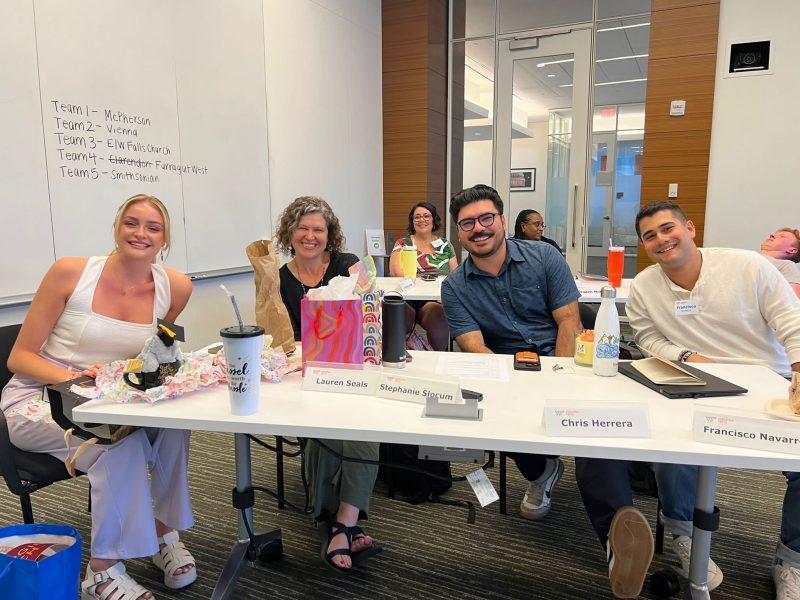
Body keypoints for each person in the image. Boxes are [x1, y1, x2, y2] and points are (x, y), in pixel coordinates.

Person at [577, 200, 800, 599]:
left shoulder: (748, 267)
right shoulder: (645, 285)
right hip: (692, 380)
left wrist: (798, 368)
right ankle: (682, 533)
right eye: (650, 236)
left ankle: (792, 559)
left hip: (767, 379)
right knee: (672, 446)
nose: (661, 240)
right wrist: (686, 357)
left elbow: (791, 320)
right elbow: (645, 337)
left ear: (690, 228)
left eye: (667, 229)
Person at [1, 194, 195, 600]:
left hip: (110, 401)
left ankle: (163, 534)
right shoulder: (70, 273)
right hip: (38, 400)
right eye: (131, 223)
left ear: (165, 239)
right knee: (118, 447)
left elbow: (152, 354)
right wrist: (75, 379)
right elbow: (20, 356)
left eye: (152, 228)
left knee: (175, 427)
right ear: (117, 227)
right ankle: (101, 573)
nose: (140, 233)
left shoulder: (175, 286)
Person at [440, 184, 582, 521]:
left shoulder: (544, 257)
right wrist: (509, 390)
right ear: (459, 232)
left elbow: (569, 321)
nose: (479, 228)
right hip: (505, 366)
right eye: (467, 223)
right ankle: (543, 473)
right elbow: (474, 345)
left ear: (503, 220)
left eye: (486, 217)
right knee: (500, 411)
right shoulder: (454, 287)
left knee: (593, 441)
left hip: (559, 358)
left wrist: (559, 379)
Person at [275, 195, 381, 572]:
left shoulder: (348, 265)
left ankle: (341, 522)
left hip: (355, 366)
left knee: (361, 426)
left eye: (318, 229)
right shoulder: (279, 278)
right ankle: (338, 526)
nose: (310, 236)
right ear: (289, 233)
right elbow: (279, 338)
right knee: (323, 428)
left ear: (329, 234)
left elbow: (372, 315)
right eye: (302, 228)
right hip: (306, 371)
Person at [389, 202, 458, 351]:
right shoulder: (403, 243)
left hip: (435, 298)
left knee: (439, 315)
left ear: (434, 219)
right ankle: (402, 355)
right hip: (408, 296)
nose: (422, 219)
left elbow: (455, 273)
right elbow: (395, 272)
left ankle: (439, 357)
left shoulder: (445, 245)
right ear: (412, 221)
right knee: (394, 310)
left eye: (426, 216)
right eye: (417, 217)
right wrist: (424, 281)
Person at [760, 227, 800, 296]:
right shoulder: (748, 256)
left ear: (792, 250)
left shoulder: (786, 265)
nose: (772, 235)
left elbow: (793, 300)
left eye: (782, 236)